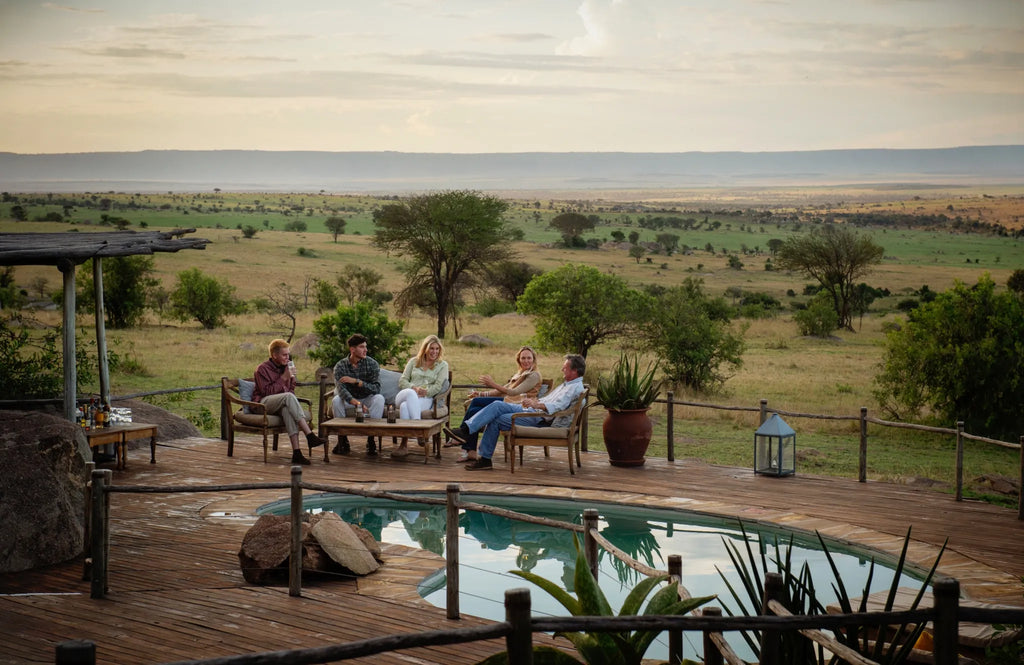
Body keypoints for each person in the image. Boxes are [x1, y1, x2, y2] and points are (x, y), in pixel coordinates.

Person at [445, 354, 585, 471]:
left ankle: (483, 456)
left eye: (565, 368)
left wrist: (537, 404)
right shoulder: (568, 384)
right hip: (531, 409)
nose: (562, 369)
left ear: (575, 371)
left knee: (497, 418)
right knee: (497, 405)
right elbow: (550, 400)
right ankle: (466, 432)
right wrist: (534, 402)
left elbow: (558, 406)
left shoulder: (574, 388)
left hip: (537, 417)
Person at [453, 346, 542, 464]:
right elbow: (502, 390)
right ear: (519, 360)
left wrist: (492, 383)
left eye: (529, 358)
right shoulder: (520, 374)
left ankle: (465, 436)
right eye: (523, 358)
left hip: (518, 405)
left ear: (534, 360)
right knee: (475, 403)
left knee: (482, 407)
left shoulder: (533, 375)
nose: (526, 361)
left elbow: (513, 392)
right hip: (509, 402)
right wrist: (480, 394)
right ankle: (466, 438)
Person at [252, 339, 325, 465]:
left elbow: (291, 388)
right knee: (289, 397)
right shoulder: (262, 369)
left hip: (281, 403)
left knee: (287, 409)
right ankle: (310, 435)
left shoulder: (287, 367)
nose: (287, 358)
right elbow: (266, 392)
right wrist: (284, 377)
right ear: (274, 355)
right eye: (284, 355)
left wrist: (290, 378)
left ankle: (296, 453)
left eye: (288, 355)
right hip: (263, 404)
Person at [392, 335, 449, 458]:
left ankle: (404, 445)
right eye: (431, 348)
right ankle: (419, 430)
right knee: (409, 396)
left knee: (405, 407)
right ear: (425, 349)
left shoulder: (442, 365)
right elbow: (402, 381)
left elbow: (438, 386)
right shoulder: (413, 361)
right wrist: (414, 388)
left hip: (425, 399)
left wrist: (426, 392)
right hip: (405, 394)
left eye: (437, 349)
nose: (434, 352)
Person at [332, 333, 386, 456]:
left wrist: (357, 382)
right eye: (362, 347)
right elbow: (341, 390)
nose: (365, 350)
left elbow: (376, 388)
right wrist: (356, 402)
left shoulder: (372, 364)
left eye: (365, 347)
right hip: (350, 400)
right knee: (336, 400)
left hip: (367, 398)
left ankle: (371, 439)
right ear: (352, 349)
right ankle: (342, 439)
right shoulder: (340, 366)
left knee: (379, 398)